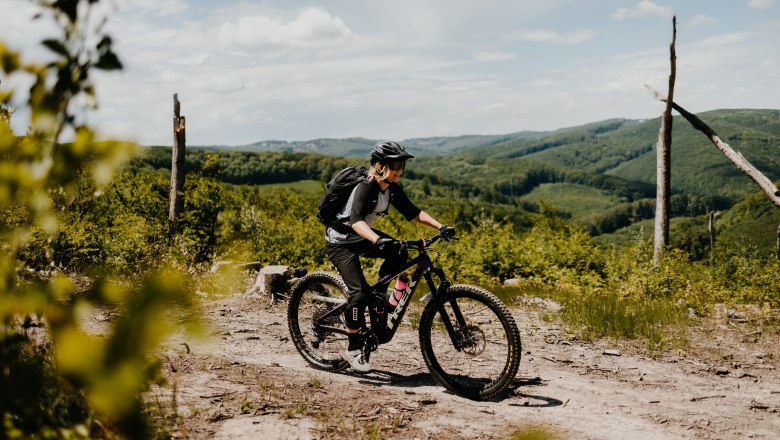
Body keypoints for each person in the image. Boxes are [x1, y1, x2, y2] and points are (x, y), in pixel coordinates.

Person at [325, 140, 455, 372]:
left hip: (364, 236)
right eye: (394, 164)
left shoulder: (391, 187)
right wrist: (377, 240)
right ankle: (353, 348)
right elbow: (356, 221)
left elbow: (413, 212)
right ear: (378, 165)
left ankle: (379, 301)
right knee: (359, 294)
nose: (399, 169)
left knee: (400, 253)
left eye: (401, 165)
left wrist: (440, 226)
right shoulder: (365, 187)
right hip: (342, 241)